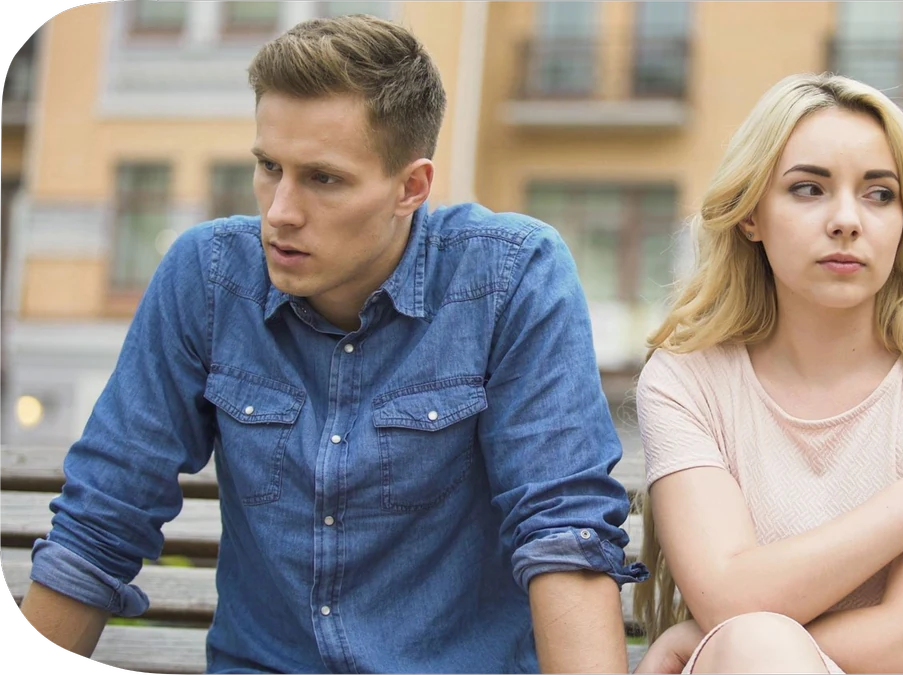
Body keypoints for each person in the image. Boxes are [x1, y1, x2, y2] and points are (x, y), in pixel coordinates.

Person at [18, 15, 647, 674]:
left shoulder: (510, 276)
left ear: (411, 188)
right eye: (268, 167)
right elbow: (101, 522)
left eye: (322, 178)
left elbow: (563, 533)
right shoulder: (206, 278)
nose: (280, 210)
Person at [628, 73, 903, 674]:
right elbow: (730, 596)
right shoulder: (686, 382)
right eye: (808, 189)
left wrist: (707, 637)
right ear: (751, 216)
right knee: (752, 645)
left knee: (753, 643)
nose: (848, 219)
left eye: (878, 194)